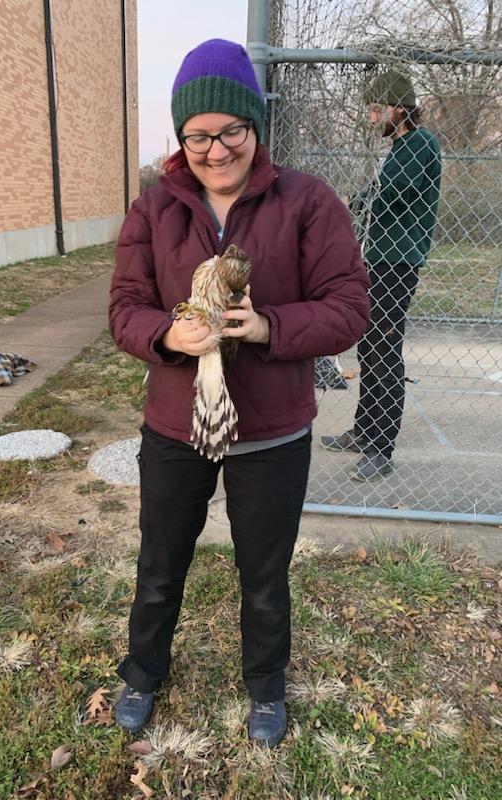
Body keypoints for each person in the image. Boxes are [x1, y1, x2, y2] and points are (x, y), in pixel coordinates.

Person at [108, 38, 369, 747]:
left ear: (255, 125)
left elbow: (349, 306)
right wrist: (169, 335)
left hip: (272, 429)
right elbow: (125, 308)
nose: (216, 150)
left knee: (264, 572)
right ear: (181, 136)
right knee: (160, 562)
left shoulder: (307, 201)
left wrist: (266, 325)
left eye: (231, 131)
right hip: (176, 423)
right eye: (198, 135)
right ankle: (142, 673)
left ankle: (266, 686)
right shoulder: (153, 209)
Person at [322, 70, 441, 481]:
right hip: (379, 259)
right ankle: (364, 430)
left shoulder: (419, 143)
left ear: (399, 108)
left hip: (398, 262)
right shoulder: (400, 145)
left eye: (377, 110)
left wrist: (347, 201)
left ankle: (381, 448)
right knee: (370, 348)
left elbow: (391, 193)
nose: (372, 119)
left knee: (385, 350)